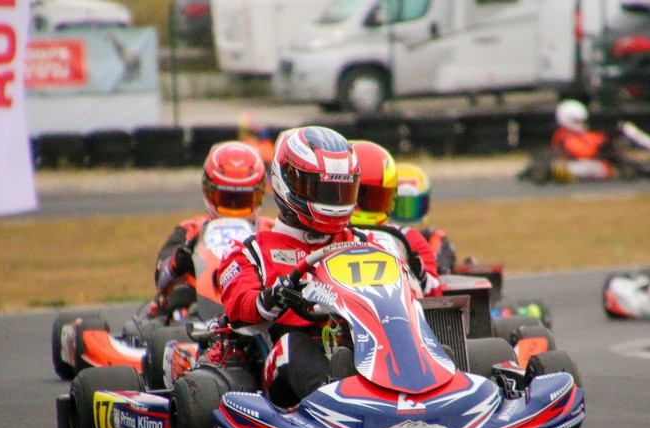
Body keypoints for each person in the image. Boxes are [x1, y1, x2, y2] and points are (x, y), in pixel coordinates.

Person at [217, 126, 370, 406]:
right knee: (293, 345)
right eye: (321, 190)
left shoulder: (362, 243)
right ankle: (336, 400)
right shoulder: (251, 251)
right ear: (286, 181)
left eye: (340, 191)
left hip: (360, 347)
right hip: (283, 363)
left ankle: (426, 384)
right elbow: (239, 309)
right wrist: (272, 297)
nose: (333, 201)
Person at [154, 141, 270, 298]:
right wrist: (178, 261)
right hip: (198, 303)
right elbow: (160, 275)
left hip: (259, 302)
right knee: (174, 300)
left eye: (242, 199)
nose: (233, 205)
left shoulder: (272, 230)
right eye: (226, 198)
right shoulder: (191, 229)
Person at [349, 141, 442, 296]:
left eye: (377, 197)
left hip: (397, 306)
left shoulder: (408, 238)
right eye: (360, 196)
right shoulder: (328, 235)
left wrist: (421, 277)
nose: (368, 203)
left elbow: (436, 297)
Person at [390, 163, 457, 274]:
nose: (406, 213)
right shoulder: (376, 238)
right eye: (400, 206)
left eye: (412, 206)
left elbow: (438, 270)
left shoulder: (436, 240)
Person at [550, 99, 615, 182]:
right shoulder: (563, 136)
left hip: (584, 162)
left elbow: (595, 138)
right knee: (594, 168)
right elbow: (582, 151)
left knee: (603, 166)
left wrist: (609, 139)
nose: (581, 124)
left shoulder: (579, 134)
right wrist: (599, 148)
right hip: (571, 165)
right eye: (578, 121)